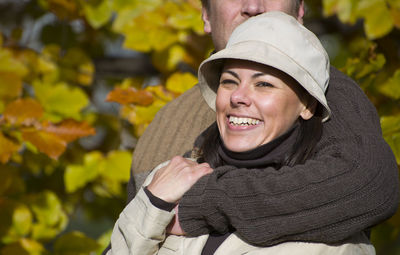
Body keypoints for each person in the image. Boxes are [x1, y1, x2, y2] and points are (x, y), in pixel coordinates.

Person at [103, 0, 398, 253]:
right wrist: (152, 204)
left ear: (299, 13)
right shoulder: (165, 123)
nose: (254, 7)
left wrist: (202, 202)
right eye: (229, 81)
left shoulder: (328, 93)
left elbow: (369, 181)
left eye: (265, 83)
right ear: (205, 14)